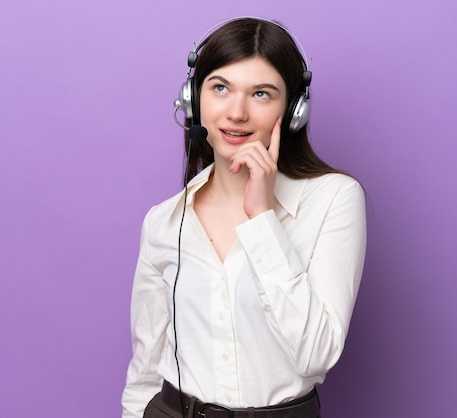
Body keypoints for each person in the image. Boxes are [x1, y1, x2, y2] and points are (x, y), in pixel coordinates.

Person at [121, 17, 366, 418]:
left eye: (261, 94)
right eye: (220, 88)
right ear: (193, 97)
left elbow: (315, 355)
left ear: (293, 111)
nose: (236, 112)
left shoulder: (334, 199)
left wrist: (261, 220)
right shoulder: (164, 221)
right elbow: (147, 365)